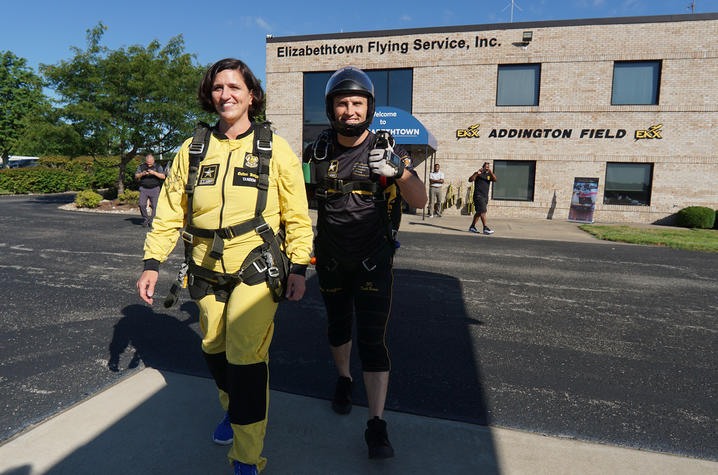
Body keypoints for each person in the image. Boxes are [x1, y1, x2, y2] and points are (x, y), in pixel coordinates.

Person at [136, 58, 313, 475]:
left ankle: (247, 457)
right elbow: (169, 213)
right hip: (203, 271)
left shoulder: (275, 147)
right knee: (214, 345)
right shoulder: (192, 148)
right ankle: (234, 411)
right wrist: (151, 263)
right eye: (218, 88)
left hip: (258, 266)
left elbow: (297, 217)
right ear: (209, 94)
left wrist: (300, 267)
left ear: (252, 94)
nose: (225, 95)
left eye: (235, 87)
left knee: (245, 353)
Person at [304, 66, 427, 459]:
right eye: (343, 103)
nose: (350, 110)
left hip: (374, 259)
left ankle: (376, 425)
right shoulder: (316, 151)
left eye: (357, 103)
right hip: (331, 258)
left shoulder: (390, 149)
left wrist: (402, 172)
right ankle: (343, 379)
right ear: (331, 109)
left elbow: (421, 201)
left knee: (373, 342)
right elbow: (294, 203)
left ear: (369, 107)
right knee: (338, 328)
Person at [134, 153, 166, 228]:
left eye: (150, 163)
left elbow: (163, 176)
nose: (149, 164)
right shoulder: (141, 166)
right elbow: (136, 175)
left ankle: (152, 221)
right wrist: (142, 174)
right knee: (142, 205)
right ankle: (145, 219)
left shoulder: (158, 166)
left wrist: (154, 173)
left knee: (155, 206)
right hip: (143, 188)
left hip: (155, 188)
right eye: (147, 163)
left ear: (153, 160)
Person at [468, 162, 497, 234]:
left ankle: (472, 227)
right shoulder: (478, 173)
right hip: (478, 195)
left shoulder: (489, 175)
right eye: (486, 167)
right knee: (483, 211)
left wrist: (491, 172)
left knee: (479, 212)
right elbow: (470, 179)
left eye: (488, 167)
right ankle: (485, 228)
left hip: (485, 196)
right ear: (483, 167)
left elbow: (495, 180)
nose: (487, 168)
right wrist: (477, 173)